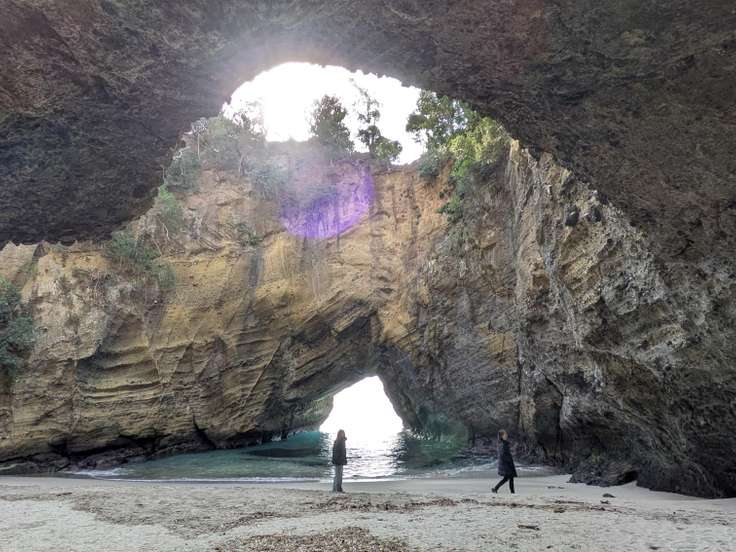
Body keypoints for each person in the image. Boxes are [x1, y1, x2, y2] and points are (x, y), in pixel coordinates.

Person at [492, 429, 517, 494]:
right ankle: (512, 492)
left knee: (508, 478)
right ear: (502, 436)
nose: (506, 435)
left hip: (506, 464)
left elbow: (503, 454)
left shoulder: (502, 443)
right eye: (505, 434)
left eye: (506, 434)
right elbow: (502, 455)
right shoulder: (503, 444)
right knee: (509, 478)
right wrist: (509, 461)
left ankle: (496, 489)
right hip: (506, 464)